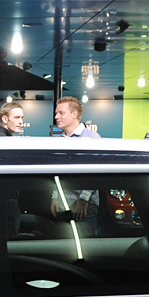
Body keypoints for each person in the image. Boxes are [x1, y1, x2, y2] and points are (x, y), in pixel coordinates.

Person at [53, 96, 101, 233]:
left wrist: (84, 199)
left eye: (61, 113)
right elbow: (56, 171)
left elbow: (96, 171)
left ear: (74, 114)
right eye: (56, 113)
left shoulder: (92, 138)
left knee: (85, 244)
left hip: (85, 206)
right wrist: (55, 196)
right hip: (63, 205)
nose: (56, 117)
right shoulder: (58, 140)